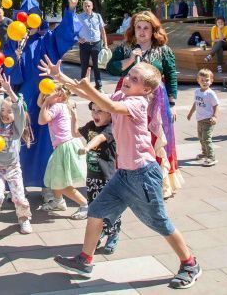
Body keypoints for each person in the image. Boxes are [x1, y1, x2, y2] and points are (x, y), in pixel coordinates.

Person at [49, 62, 202, 290]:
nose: (129, 79)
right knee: (96, 210)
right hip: (123, 174)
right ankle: (85, 260)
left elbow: (108, 105)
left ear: (147, 90)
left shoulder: (138, 103)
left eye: (136, 79)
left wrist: (89, 89)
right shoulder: (123, 93)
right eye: (129, 74)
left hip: (143, 175)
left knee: (159, 222)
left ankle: (190, 264)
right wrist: (61, 77)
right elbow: (92, 95)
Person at [3, 0, 79, 202]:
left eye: (33, 17)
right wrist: (15, 58)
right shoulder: (13, 42)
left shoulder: (48, 39)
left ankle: (49, 186)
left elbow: (65, 35)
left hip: (49, 98)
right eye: (25, 18)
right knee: (22, 140)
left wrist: (71, 9)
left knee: (48, 141)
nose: (29, 23)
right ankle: (19, 185)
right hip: (25, 98)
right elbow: (7, 72)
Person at [106, 11, 183, 199]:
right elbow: (111, 67)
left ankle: (158, 182)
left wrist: (172, 103)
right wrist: (131, 59)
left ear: (153, 30)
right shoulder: (126, 48)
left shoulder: (163, 50)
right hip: (130, 97)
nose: (141, 32)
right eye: (138, 27)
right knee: (130, 137)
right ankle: (129, 180)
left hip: (156, 99)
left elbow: (171, 75)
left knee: (155, 137)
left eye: (146, 28)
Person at [0, 69, 33, 243]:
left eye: (9, 112)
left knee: (19, 197)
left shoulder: (17, 129)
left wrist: (10, 91)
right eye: (3, 110)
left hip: (13, 169)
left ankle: (24, 218)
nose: (5, 114)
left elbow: (18, 108)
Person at [70, 99, 120, 254]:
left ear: (110, 114)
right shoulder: (91, 126)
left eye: (100, 111)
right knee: (94, 209)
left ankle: (113, 234)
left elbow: (99, 139)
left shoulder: (111, 128)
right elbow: (75, 133)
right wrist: (73, 115)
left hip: (107, 178)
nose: (95, 114)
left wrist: (87, 147)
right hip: (92, 177)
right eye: (93, 110)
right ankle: (99, 233)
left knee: (110, 210)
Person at [37, 84, 89, 219]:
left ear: (59, 95)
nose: (46, 95)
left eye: (51, 92)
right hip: (68, 145)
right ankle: (58, 201)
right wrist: (44, 93)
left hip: (65, 147)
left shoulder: (57, 107)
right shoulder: (64, 105)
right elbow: (39, 103)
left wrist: (48, 101)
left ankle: (85, 205)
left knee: (61, 182)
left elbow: (42, 120)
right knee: (57, 176)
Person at [187, 69, 219, 166]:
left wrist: (215, 116)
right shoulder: (197, 91)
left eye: (207, 80)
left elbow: (216, 105)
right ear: (198, 81)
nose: (204, 82)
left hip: (208, 119)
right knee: (201, 138)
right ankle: (205, 153)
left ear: (211, 81)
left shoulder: (210, 93)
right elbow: (196, 103)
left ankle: (211, 157)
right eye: (202, 80)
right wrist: (191, 113)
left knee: (206, 138)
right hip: (199, 119)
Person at [75, 0, 108, 90]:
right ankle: (83, 85)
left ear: (92, 6)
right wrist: (78, 38)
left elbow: (102, 30)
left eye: (89, 6)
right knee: (84, 65)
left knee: (97, 66)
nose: (87, 7)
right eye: (85, 6)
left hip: (96, 44)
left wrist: (105, 44)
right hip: (84, 44)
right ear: (83, 7)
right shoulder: (79, 17)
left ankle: (98, 85)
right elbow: (73, 30)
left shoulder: (98, 16)